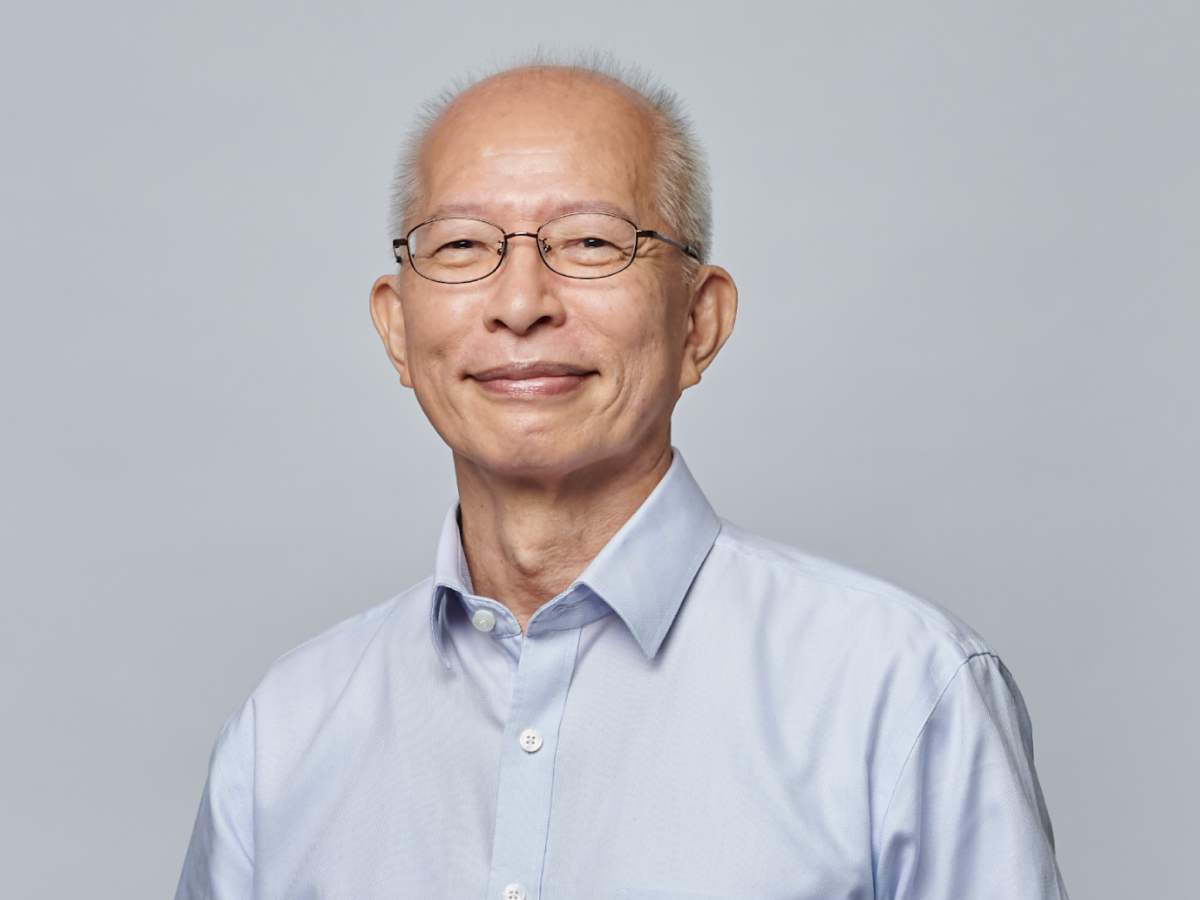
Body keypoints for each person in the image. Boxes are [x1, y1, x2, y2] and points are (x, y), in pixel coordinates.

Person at [176, 56, 1068, 900]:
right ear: (398, 330)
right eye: (460, 247)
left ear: (699, 322)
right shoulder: (282, 738)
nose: (522, 304)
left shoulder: (903, 692)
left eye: (592, 241)